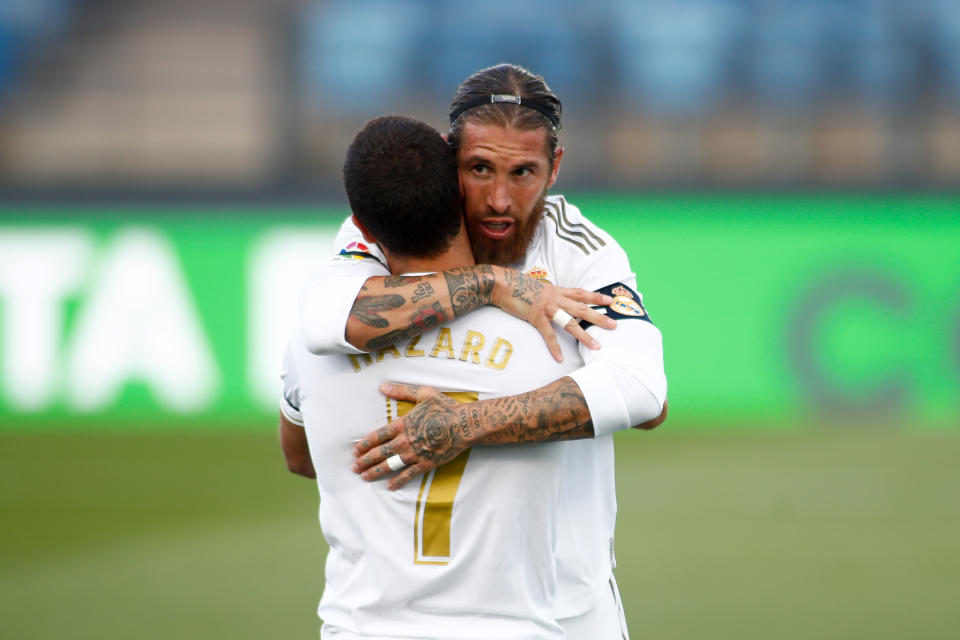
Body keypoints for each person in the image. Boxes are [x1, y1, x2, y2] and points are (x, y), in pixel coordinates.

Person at [298, 64, 668, 638]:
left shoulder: (578, 250)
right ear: (450, 159)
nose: (500, 199)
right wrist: (494, 284)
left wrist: (467, 423)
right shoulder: (381, 229)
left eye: (524, 173)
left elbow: (646, 394)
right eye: (479, 169)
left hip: (572, 603)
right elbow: (325, 321)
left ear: (556, 167)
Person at [280, 115, 586, 639]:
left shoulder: (312, 346)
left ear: (364, 228)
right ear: (459, 194)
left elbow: (299, 458)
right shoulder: (552, 341)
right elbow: (641, 402)